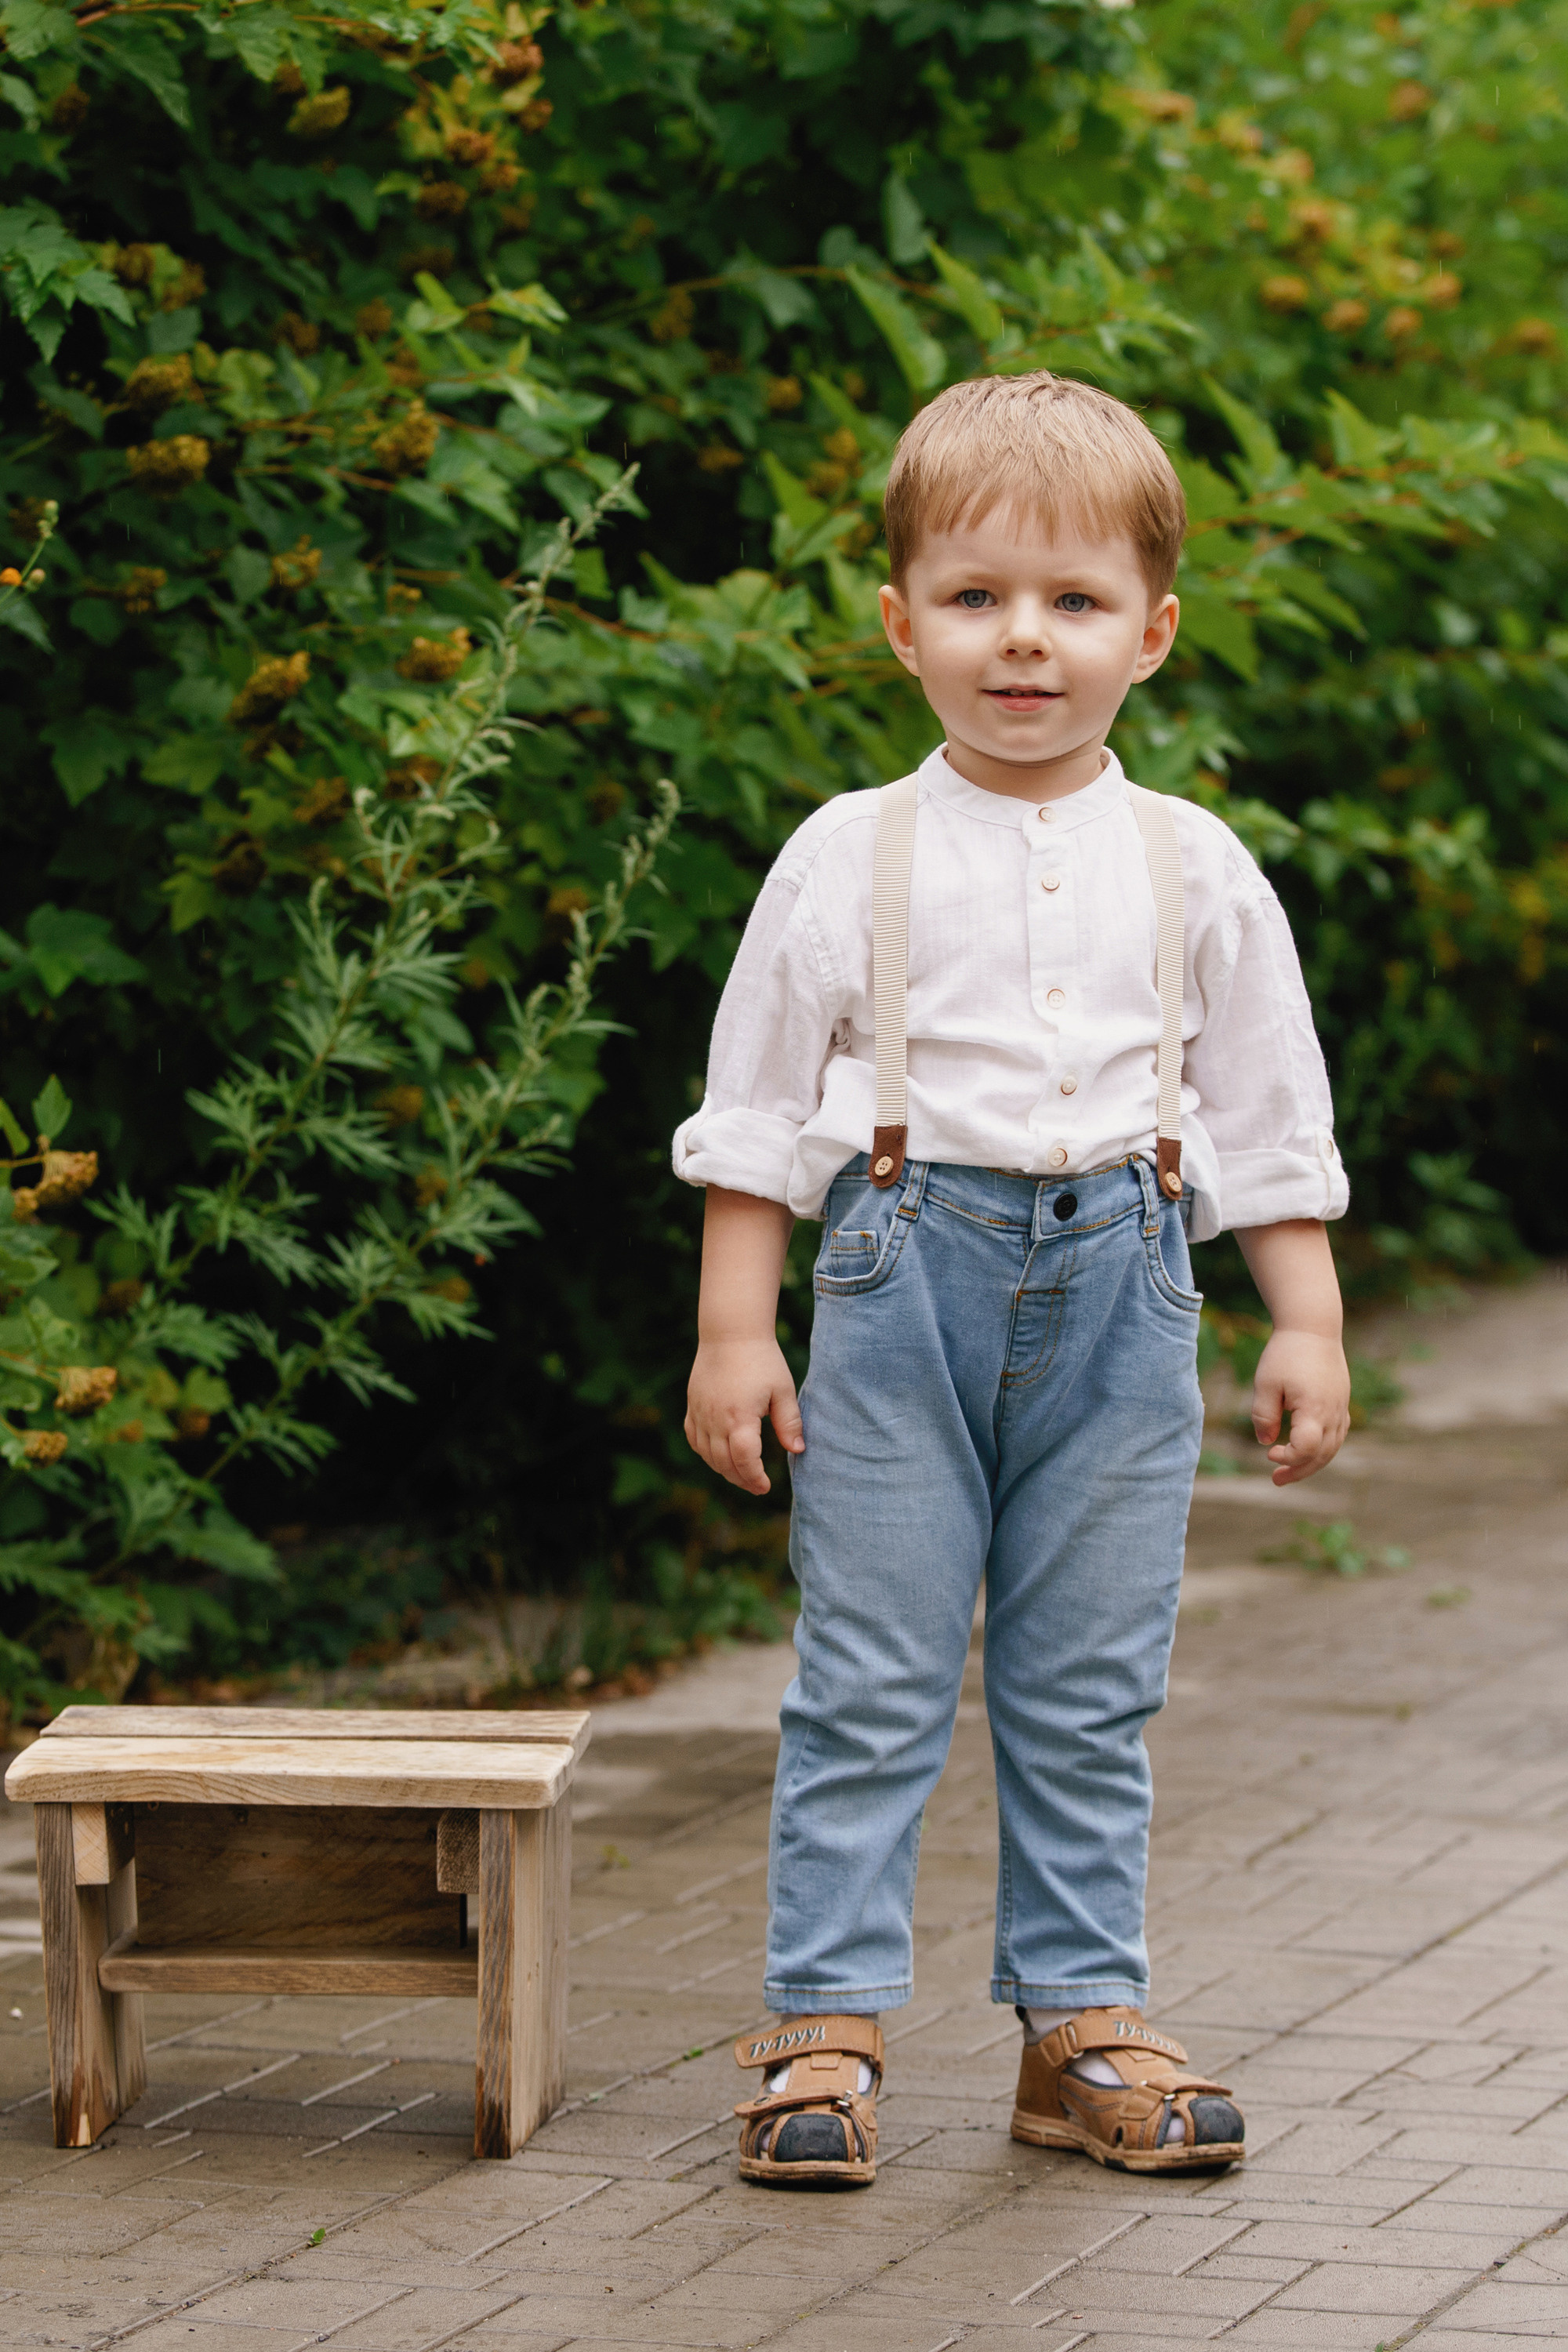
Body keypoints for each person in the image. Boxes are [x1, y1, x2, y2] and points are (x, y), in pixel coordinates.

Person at [673, 371, 1351, 2189]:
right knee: (872, 1670)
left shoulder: (1194, 862)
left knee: (1087, 1677)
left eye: (1073, 601)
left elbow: (1263, 1112)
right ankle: (822, 2023)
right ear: (903, 627)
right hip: (901, 1274)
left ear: (1153, 634)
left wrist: (1304, 1318)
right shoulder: (848, 852)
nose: (1024, 639)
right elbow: (757, 1112)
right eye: (975, 598)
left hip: (1127, 1285)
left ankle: (1077, 2024)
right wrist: (736, 1329)